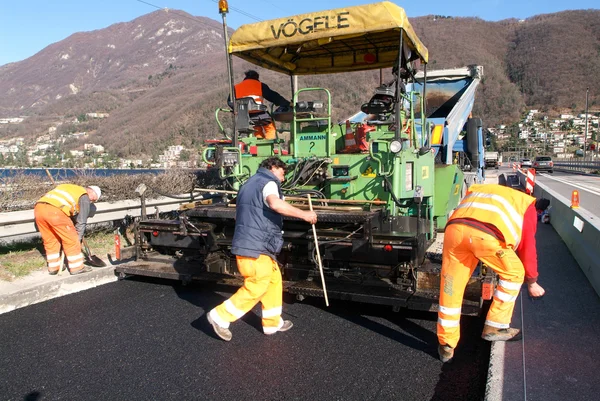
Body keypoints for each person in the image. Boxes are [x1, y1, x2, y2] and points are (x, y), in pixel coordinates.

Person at [207, 157, 317, 341]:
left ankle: (272, 323)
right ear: (273, 168)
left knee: (274, 281)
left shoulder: (248, 184)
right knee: (257, 285)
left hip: (251, 242)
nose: (283, 178)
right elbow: (274, 203)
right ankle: (220, 317)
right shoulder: (268, 182)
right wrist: (304, 214)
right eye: (283, 173)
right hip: (256, 245)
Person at [437, 183, 546, 363]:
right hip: (485, 236)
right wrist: (532, 281)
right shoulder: (528, 206)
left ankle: (446, 344)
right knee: (514, 272)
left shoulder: (486, 190)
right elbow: (528, 249)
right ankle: (495, 326)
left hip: (454, 231)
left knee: (451, 285)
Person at [34, 184, 102, 275]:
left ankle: (54, 267)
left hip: (39, 209)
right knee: (71, 240)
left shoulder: (70, 188)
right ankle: (77, 267)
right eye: (93, 199)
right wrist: (78, 238)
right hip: (56, 211)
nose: (91, 201)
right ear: (92, 192)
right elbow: (81, 221)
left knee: (51, 240)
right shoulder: (84, 196)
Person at [229, 70, 290, 140]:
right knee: (270, 127)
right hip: (259, 114)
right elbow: (274, 97)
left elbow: (230, 101)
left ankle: (259, 144)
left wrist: (235, 109)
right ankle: (268, 144)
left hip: (244, 116)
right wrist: (287, 103)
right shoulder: (260, 85)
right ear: (257, 77)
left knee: (257, 128)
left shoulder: (236, 87)